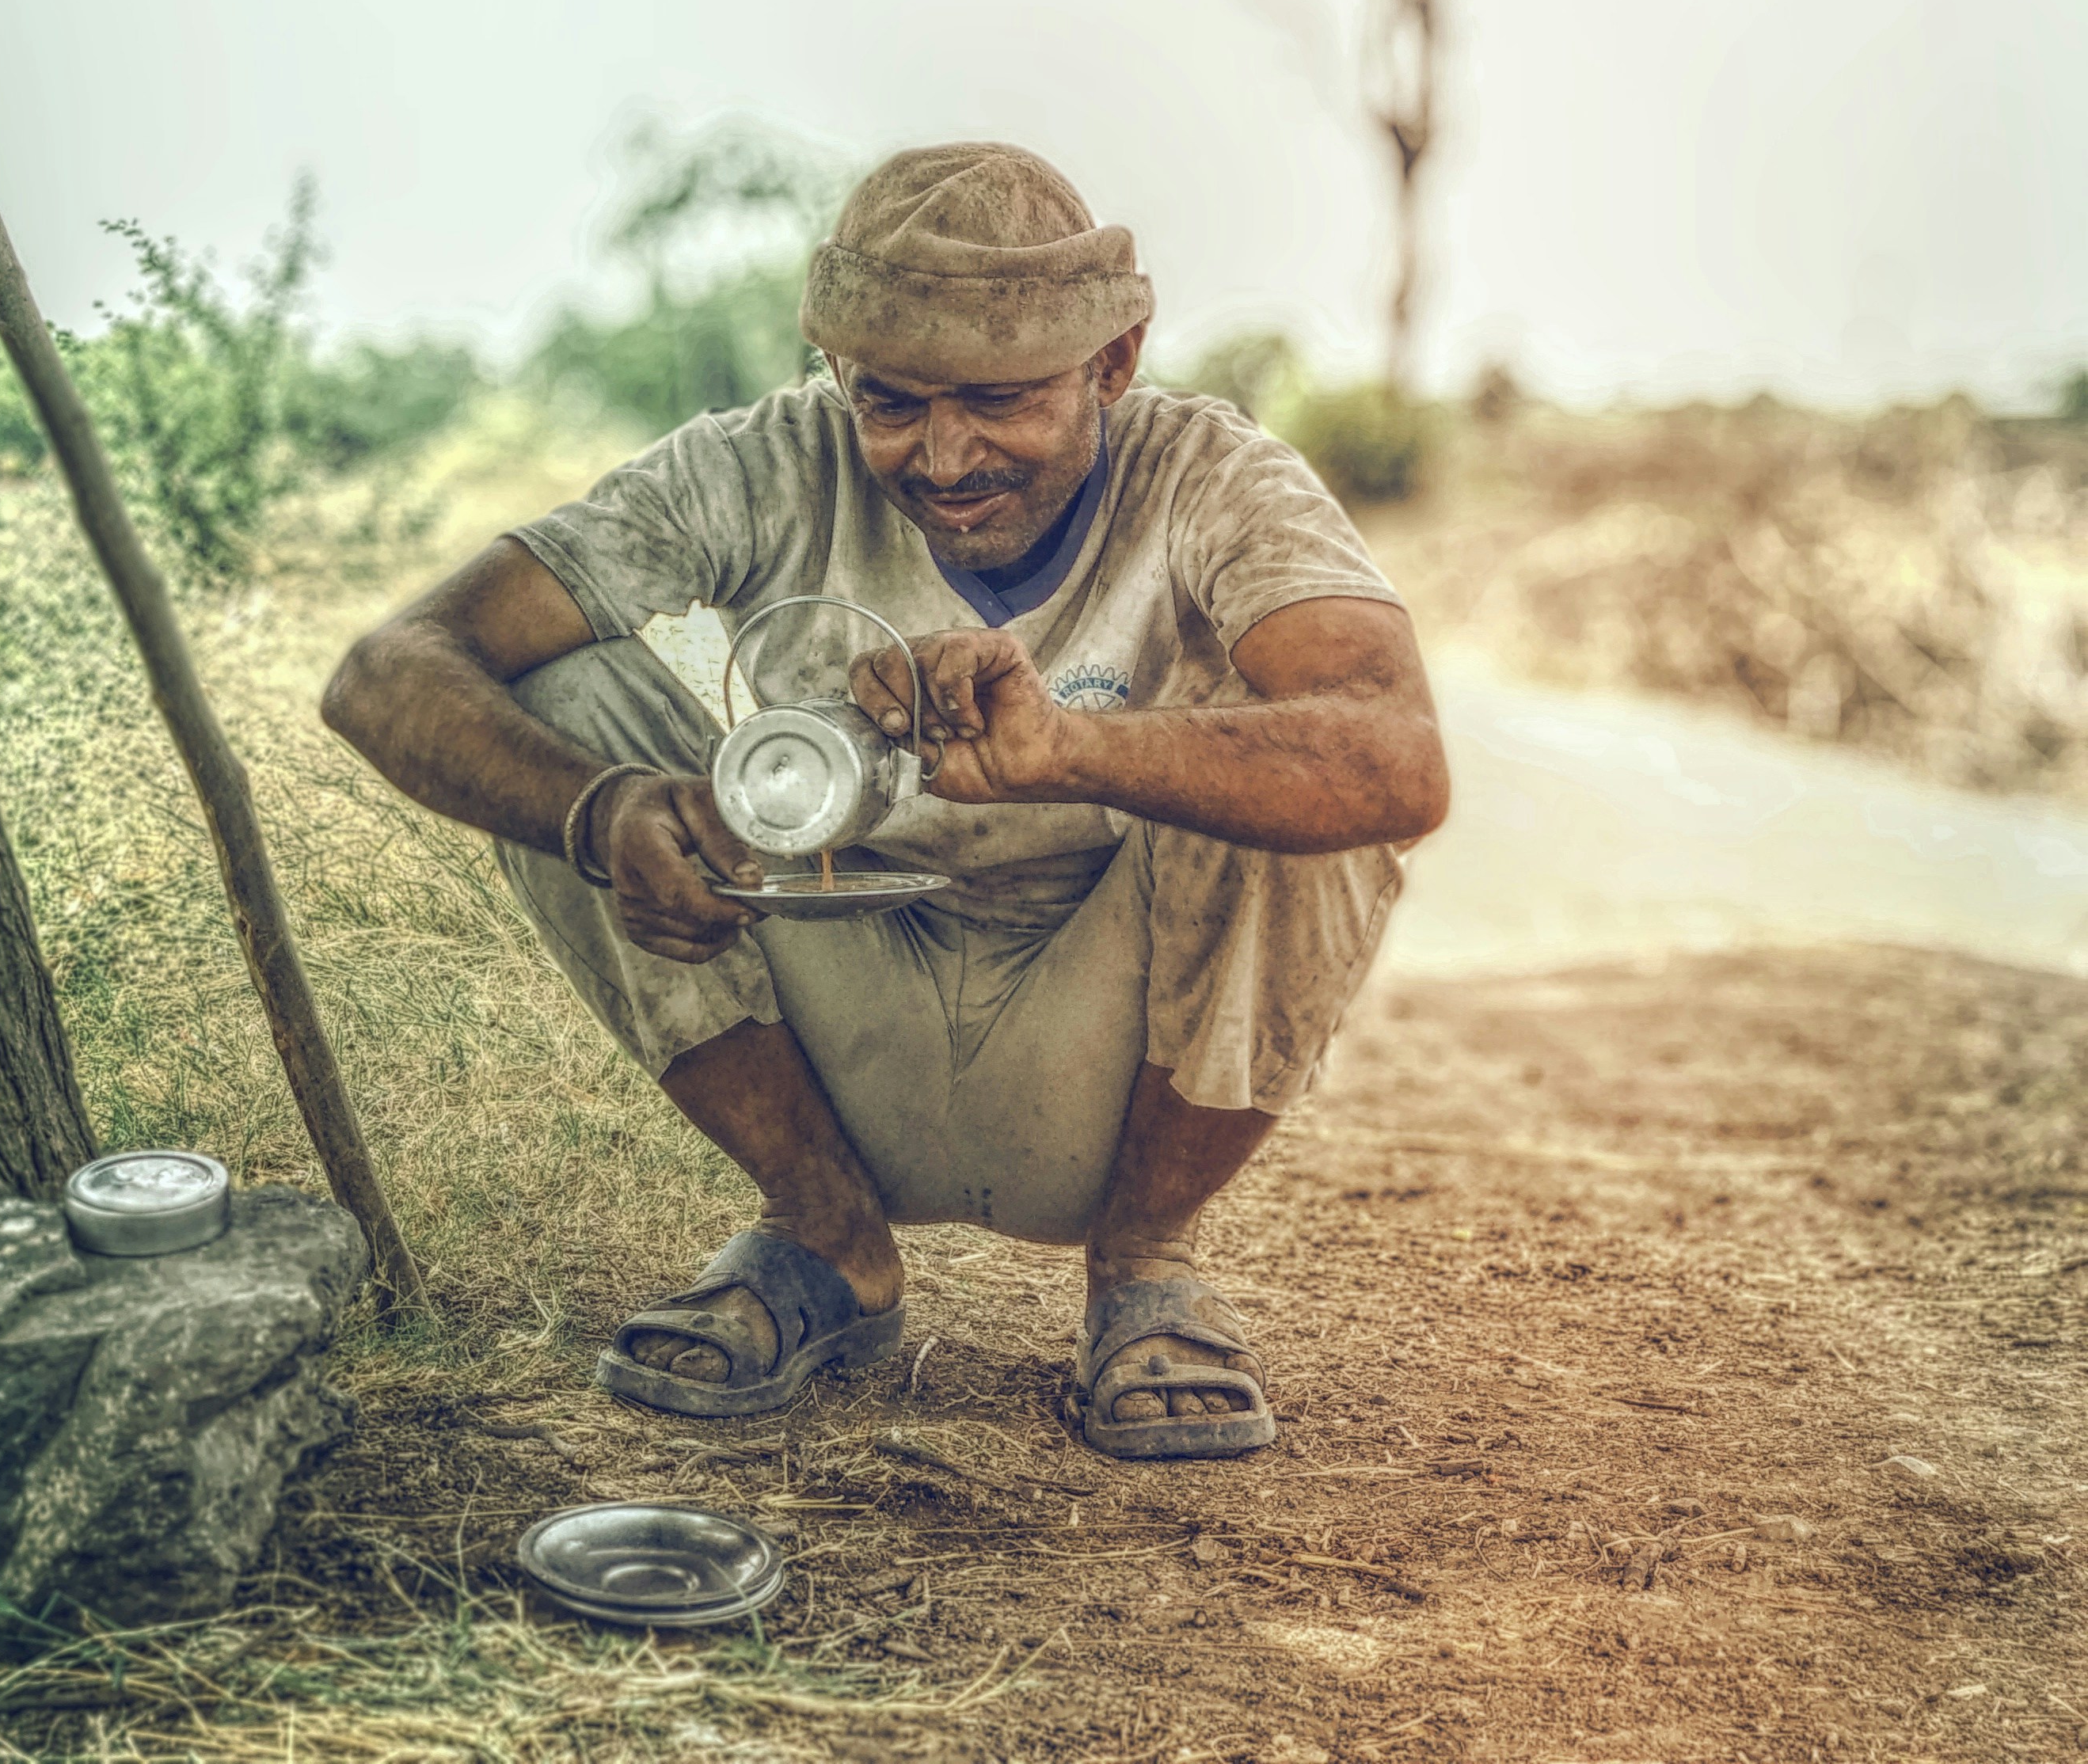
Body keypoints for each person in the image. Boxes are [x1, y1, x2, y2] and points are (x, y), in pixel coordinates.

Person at [323, 142, 1447, 1460]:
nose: (946, 453)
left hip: (1112, 1065)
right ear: (836, 377)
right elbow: (386, 672)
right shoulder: (763, 465)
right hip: (839, 1025)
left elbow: (1398, 759)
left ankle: (1146, 1268)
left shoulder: (1209, 475)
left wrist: (1080, 751)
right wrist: (604, 815)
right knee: (566, 701)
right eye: (893, 402)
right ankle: (824, 1239)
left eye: (1003, 399)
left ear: (1115, 364)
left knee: (1302, 785)